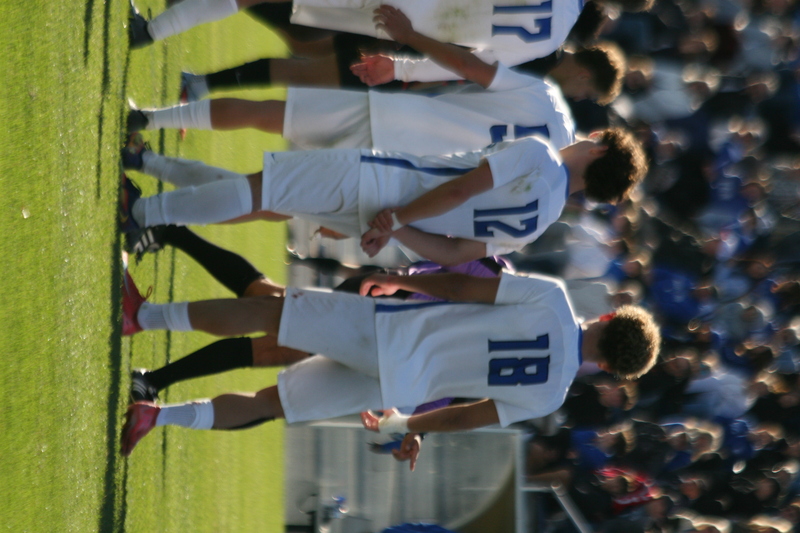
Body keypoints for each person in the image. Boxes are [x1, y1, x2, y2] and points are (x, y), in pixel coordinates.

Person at [119, 268, 661, 456]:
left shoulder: (556, 302)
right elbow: (463, 417)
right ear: (611, 371)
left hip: (393, 332)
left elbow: (463, 285)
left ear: (610, 320)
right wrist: (406, 425)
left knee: (272, 311)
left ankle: (144, 316)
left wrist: (403, 281)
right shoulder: (550, 396)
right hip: (400, 383)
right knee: (272, 404)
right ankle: (157, 417)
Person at [119, 127, 647, 265]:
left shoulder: (542, 156)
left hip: (383, 189)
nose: (587, 137)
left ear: (599, 152)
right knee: (261, 197)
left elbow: (464, 187)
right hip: (384, 217)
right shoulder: (540, 224)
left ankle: (142, 212)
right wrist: (396, 229)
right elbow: (454, 253)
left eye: (596, 139)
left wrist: (398, 214)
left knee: (261, 191)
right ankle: (149, 163)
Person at [128, 34, 627, 156]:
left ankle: (187, 96)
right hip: (406, 101)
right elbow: (469, 61)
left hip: (406, 92)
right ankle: (192, 92)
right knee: (302, 61)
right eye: (588, 90)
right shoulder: (542, 76)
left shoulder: (544, 80)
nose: (580, 95)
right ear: (586, 74)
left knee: (298, 75)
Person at [128, 1, 648, 87]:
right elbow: (470, 66)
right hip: (398, 23)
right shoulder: (550, 38)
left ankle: (150, 32)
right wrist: (403, 59)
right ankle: (152, 30)